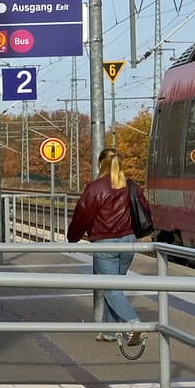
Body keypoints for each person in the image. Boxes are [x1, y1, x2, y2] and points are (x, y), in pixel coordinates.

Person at [64, 150, 151, 356]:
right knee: (117, 286)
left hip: (105, 243)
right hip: (128, 242)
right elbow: (145, 209)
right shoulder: (131, 186)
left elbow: (82, 215)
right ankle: (110, 332)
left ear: (100, 164)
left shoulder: (96, 188)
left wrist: (72, 237)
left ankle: (133, 324)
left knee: (110, 288)